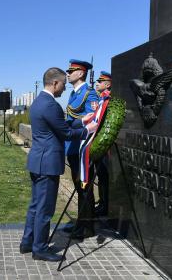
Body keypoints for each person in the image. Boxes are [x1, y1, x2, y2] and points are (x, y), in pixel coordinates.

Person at [20, 67, 97, 262]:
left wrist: (81, 121)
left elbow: (60, 125)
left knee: (35, 206)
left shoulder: (39, 102)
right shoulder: (51, 105)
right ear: (54, 83)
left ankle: (27, 242)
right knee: (45, 210)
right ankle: (40, 248)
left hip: (38, 161)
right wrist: (88, 129)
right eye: (62, 84)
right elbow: (66, 134)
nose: (64, 88)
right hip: (48, 164)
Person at [64, 59, 99, 239]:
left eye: (71, 71)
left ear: (81, 73)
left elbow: (93, 119)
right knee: (79, 188)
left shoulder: (89, 94)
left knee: (85, 187)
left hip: (82, 149)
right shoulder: (73, 94)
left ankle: (87, 227)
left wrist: (70, 125)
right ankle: (81, 223)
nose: (68, 74)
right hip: (72, 148)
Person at [94, 71, 112, 216]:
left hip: (105, 145)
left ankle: (105, 205)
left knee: (104, 176)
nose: (97, 83)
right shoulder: (101, 99)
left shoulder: (108, 99)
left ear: (107, 84)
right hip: (98, 143)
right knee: (100, 175)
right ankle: (101, 202)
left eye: (100, 81)